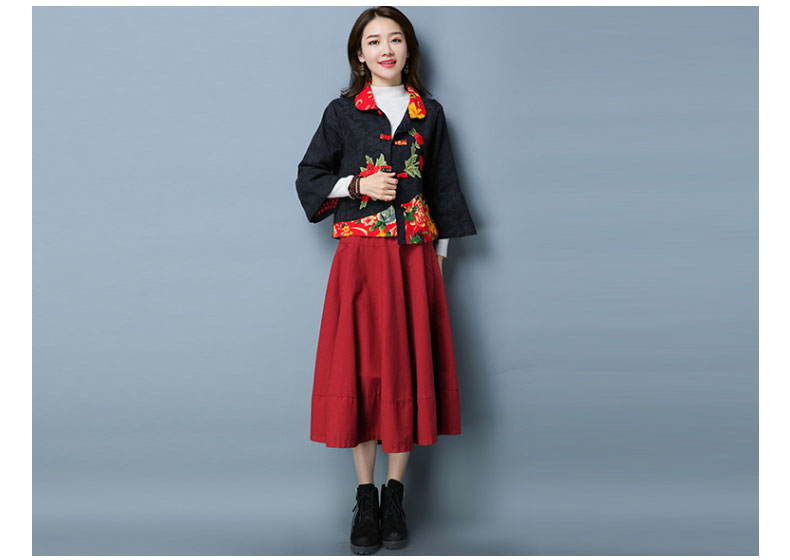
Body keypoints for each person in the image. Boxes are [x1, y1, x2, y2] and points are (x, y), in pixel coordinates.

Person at [295, 6, 477, 554]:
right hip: (360, 258)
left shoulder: (429, 113)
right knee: (362, 369)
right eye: (374, 41)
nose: (386, 49)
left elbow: (443, 185)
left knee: (406, 368)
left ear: (408, 49)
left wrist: (438, 254)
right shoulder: (343, 112)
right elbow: (310, 176)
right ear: (360, 55)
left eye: (395, 39)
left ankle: (395, 495)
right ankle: (365, 498)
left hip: (414, 258)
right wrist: (358, 185)